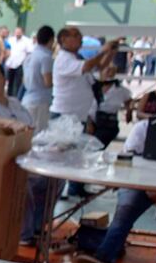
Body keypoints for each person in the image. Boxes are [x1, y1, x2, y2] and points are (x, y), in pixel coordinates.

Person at [75, 83, 156, 263]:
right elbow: (128, 163)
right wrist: (150, 187)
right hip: (140, 185)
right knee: (127, 210)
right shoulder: (144, 128)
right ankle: (104, 257)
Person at [50, 26, 119, 196]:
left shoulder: (76, 58)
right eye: (75, 36)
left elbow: (98, 68)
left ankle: (75, 188)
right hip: (64, 115)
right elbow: (87, 66)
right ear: (63, 40)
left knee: (76, 154)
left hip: (77, 115)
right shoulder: (63, 59)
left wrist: (110, 52)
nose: (80, 39)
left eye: (80, 36)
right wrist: (103, 51)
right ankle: (56, 191)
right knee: (61, 157)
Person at [20, 25, 55, 133]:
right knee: (39, 136)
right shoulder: (46, 57)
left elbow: (23, 80)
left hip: (27, 99)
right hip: (41, 101)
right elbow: (48, 82)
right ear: (51, 40)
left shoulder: (30, 56)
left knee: (28, 134)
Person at [90, 64, 132, 147]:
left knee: (96, 145)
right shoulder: (92, 87)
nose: (109, 72)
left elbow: (129, 101)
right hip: (91, 121)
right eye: (107, 69)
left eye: (112, 70)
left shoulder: (120, 90)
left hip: (108, 124)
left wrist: (129, 113)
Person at [4, 27, 32, 97]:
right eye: (16, 32)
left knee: (17, 83)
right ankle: (8, 96)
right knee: (9, 82)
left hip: (20, 64)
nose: (17, 34)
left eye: (19, 32)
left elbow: (29, 53)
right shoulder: (10, 40)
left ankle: (15, 97)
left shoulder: (27, 41)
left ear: (22, 33)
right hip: (10, 64)